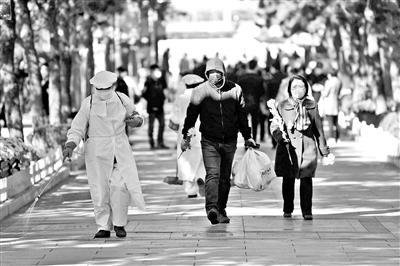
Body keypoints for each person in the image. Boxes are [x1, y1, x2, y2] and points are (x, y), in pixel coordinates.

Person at [62, 70, 146, 238]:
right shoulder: (88, 103)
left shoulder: (122, 99)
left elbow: (136, 115)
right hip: (97, 153)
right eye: (99, 89)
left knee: (120, 186)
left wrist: (137, 121)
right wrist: (71, 144)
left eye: (106, 88)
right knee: (99, 189)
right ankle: (103, 226)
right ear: (94, 88)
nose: (103, 92)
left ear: (112, 86)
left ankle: (119, 224)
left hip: (119, 150)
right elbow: (77, 127)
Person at [181, 58, 256, 225]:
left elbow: (242, 116)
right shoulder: (200, 91)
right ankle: (212, 208)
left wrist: (248, 136)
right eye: (210, 72)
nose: (214, 75)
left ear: (223, 73)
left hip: (230, 140)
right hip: (209, 140)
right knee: (213, 174)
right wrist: (186, 136)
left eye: (217, 72)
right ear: (206, 74)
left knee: (224, 177)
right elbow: (191, 116)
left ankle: (221, 209)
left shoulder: (235, 89)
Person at [270, 74, 331, 221]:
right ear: (290, 89)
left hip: (308, 148)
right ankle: (287, 208)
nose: (298, 89)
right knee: (288, 180)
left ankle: (307, 211)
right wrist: (279, 136)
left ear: (306, 88)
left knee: (306, 180)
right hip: (288, 149)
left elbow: (318, 129)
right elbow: (274, 125)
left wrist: (324, 150)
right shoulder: (283, 105)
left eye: (301, 86)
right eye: (294, 87)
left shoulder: (312, 105)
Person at [169, 74, 206, 198]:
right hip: (201, 132)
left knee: (185, 160)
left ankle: (190, 189)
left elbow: (175, 117)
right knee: (201, 158)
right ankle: (201, 178)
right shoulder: (204, 97)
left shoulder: (181, 98)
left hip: (185, 132)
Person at [237, 59, 265, 142]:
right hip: (255, 103)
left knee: (245, 122)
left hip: (244, 103)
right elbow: (262, 92)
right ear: (256, 67)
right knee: (255, 122)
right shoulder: (259, 79)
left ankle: (247, 139)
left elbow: (238, 91)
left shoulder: (241, 78)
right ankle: (254, 140)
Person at [142, 64, 169, 149]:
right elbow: (144, 93)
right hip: (151, 107)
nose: (157, 72)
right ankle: (152, 143)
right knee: (151, 126)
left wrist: (165, 98)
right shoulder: (148, 81)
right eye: (155, 71)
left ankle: (160, 142)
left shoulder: (162, 80)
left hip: (160, 107)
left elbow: (165, 91)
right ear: (151, 72)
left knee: (162, 124)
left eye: (158, 70)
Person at [319, 70, 342, 144]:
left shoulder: (329, 82)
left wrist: (321, 90)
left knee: (330, 121)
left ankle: (331, 137)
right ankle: (337, 137)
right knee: (336, 121)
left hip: (329, 103)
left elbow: (325, 93)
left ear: (330, 74)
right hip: (336, 102)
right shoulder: (339, 81)